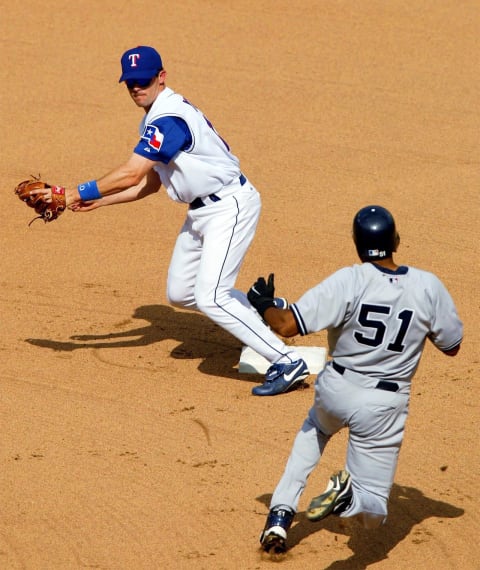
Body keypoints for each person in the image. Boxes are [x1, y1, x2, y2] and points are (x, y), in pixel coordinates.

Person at [33, 45, 309, 396]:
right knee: (181, 293)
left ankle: (286, 360)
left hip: (230, 206)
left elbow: (132, 173)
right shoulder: (154, 117)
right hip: (201, 211)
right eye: (130, 82)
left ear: (161, 78)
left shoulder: (169, 119)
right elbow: (148, 182)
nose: (136, 88)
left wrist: (75, 192)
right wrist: (100, 201)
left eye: (143, 81)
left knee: (210, 296)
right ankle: (259, 306)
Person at [247, 205, 463, 553]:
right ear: (396, 241)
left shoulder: (349, 280)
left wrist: (264, 305)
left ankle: (280, 515)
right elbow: (452, 346)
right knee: (373, 509)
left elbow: (287, 325)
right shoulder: (428, 286)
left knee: (314, 430)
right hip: (383, 405)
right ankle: (349, 499)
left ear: (356, 244)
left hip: (337, 389)